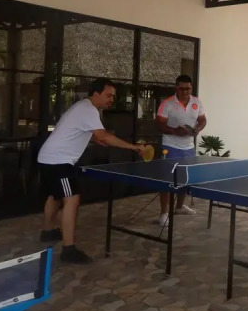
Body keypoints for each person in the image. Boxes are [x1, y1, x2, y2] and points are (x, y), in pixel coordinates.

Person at [38, 78, 146, 264]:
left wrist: (100, 139)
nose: (111, 99)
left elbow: (94, 135)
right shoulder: (88, 109)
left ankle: (48, 232)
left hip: (48, 158)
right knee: (72, 198)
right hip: (58, 160)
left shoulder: (83, 107)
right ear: (96, 93)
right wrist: (133, 147)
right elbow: (102, 135)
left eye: (113, 96)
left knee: (55, 196)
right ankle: (68, 250)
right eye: (108, 95)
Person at [155, 74, 206, 226]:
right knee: (167, 181)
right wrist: (174, 131)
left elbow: (202, 119)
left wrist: (198, 128)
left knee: (185, 179)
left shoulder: (196, 102)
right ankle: (164, 213)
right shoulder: (167, 104)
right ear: (176, 88)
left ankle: (179, 207)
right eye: (182, 89)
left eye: (188, 89)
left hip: (189, 147)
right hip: (170, 147)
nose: (185, 92)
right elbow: (159, 124)